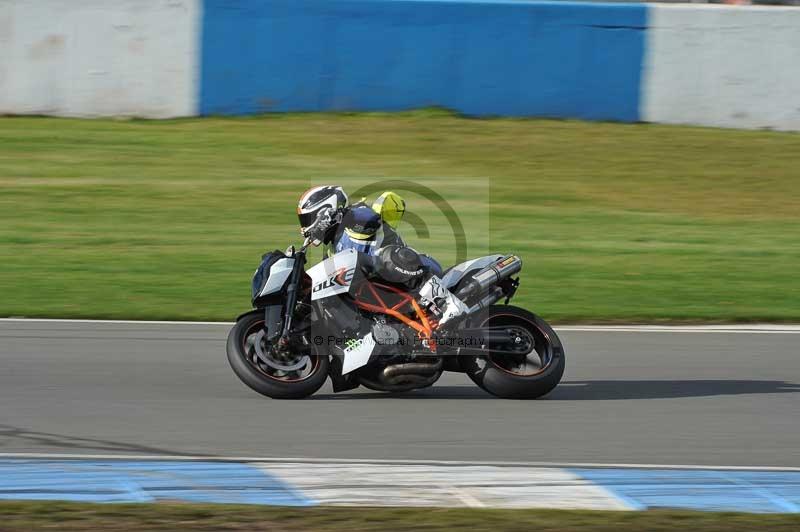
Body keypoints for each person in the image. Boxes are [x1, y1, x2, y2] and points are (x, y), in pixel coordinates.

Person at [296, 185, 442, 276]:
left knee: (386, 257)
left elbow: (372, 220)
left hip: (420, 270)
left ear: (325, 211)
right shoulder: (333, 248)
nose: (304, 228)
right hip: (382, 295)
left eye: (307, 219)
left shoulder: (357, 213)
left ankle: (445, 303)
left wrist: (343, 215)